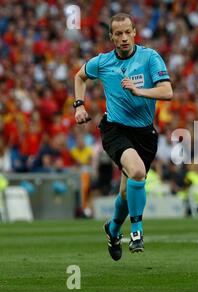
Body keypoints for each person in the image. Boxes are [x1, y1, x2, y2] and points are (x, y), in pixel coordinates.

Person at [73, 13, 173, 261]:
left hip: (144, 133)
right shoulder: (103, 62)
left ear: (134, 32)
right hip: (115, 129)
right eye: (118, 34)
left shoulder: (150, 57)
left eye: (127, 32)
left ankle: (113, 228)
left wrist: (139, 91)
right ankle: (137, 231)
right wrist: (79, 105)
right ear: (111, 37)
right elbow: (79, 76)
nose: (124, 37)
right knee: (137, 171)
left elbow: (167, 91)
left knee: (128, 193)